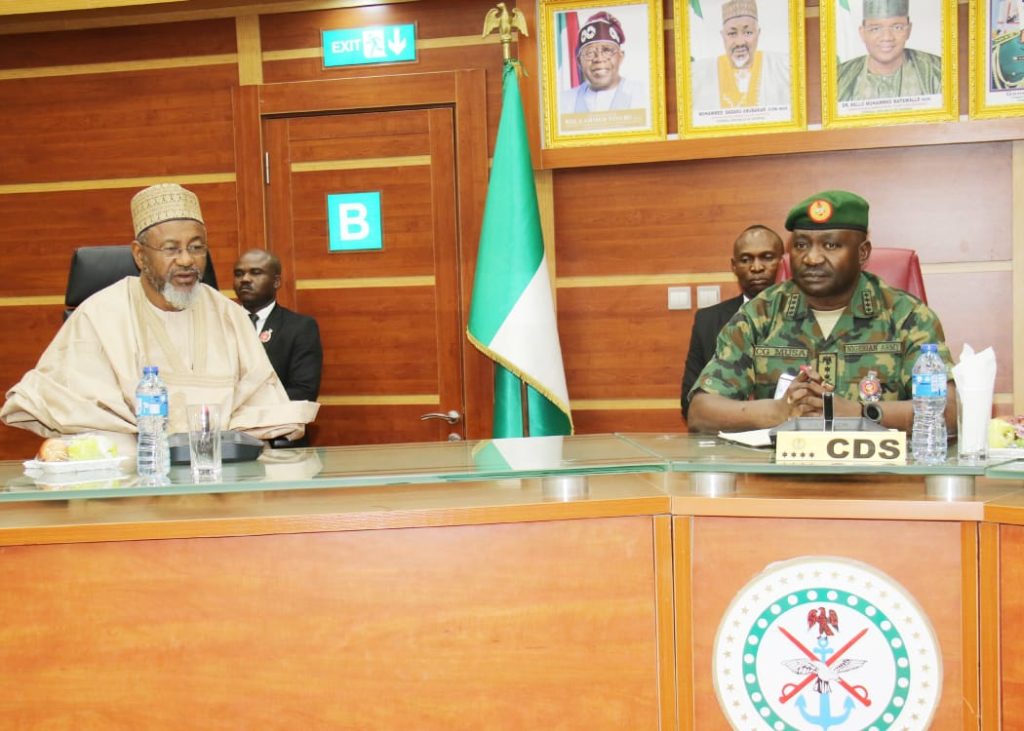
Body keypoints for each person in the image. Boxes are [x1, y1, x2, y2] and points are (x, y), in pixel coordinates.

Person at [1, 183, 318, 454]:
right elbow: (65, 407)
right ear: (140, 255)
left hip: (221, 477)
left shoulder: (230, 315)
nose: (186, 261)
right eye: (171, 249)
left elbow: (265, 406)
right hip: (127, 485)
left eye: (196, 248)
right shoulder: (99, 314)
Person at [686, 189, 956, 434]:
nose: (812, 258)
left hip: (879, 479)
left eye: (831, 245)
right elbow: (701, 412)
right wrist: (778, 411)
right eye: (801, 245)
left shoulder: (906, 316)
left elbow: (951, 413)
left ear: (862, 253)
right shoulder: (761, 314)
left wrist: (861, 414)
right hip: (780, 480)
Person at [680, 224, 783, 420]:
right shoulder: (707, 320)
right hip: (726, 438)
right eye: (746, 259)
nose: (756, 267)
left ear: (783, 262)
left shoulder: (803, 316)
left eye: (767, 257)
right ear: (733, 267)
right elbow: (689, 401)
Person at [233, 248, 323, 402]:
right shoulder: (221, 325)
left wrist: (245, 405)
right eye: (239, 274)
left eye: (255, 272)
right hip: (224, 424)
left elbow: (304, 391)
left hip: (275, 422)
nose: (245, 279)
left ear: (276, 282)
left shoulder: (299, 327)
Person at [690, 0, 791, 110]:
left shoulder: (783, 68)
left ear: (758, 33)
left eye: (748, 32)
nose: (740, 42)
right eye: (732, 33)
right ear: (723, 36)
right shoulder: (699, 74)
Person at [837, 0, 942, 102]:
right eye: (875, 29)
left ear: (909, 30)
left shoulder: (938, 72)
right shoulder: (839, 78)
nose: (887, 37)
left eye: (897, 27)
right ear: (862, 33)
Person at [559, 11, 646, 113]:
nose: (599, 59)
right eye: (590, 52)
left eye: (607, 50)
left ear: (620, 57)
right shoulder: (562, 102)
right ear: (579, 61)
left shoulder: (644, 95)